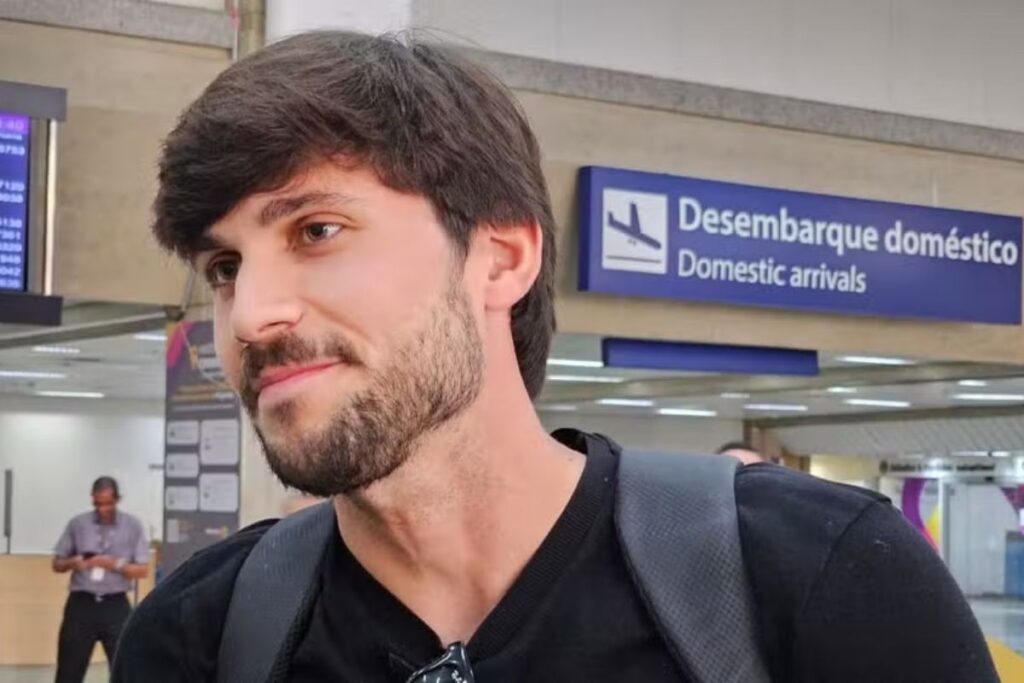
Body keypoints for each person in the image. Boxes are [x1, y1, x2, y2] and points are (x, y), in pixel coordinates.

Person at [112, 31, 997, 682]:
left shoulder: (815, 576)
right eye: (223, 267)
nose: (251, 313)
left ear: (501, 258)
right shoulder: (201, 636)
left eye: (317, 230)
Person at [52, 476, 149, 683]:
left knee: (126, 669)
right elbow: (57, 564)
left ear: (118, 499)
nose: (102, 509)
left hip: (115, 605)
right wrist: (72, 563)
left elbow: (142, 570)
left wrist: (114, 564)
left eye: (107, 503)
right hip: (81, 604)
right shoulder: (78, 524)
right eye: (97, 504)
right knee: (68, 671)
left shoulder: (132, 526)